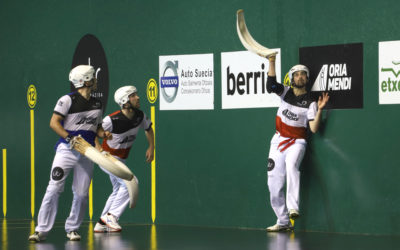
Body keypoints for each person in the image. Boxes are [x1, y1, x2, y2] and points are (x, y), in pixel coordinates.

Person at [29, 65, 111, 242]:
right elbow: (54, 123)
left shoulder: (97, 103)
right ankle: (41, 230)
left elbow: (96, 128)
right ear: (84, 81)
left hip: (87, 152)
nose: (95, 80)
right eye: (92, 77)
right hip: (66, 150)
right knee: (54, 187)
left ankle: (73, 228)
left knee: (81, 193)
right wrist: (70, 139)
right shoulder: (67, 100)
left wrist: (104, 135)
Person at [265, 55, 329, 232]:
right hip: (278, 141)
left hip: (297, 142)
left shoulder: (311, 102)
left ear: (307, 79)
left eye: (303, 74)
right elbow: (270, 86)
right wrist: (271, 61)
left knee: (291, 165)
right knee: (273, 182)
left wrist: (320, 110)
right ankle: (283, 221)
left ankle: (293, 208)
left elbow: (314, 129)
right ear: (292, 78)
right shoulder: (285, 92)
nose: (300, 77)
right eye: (297, 74)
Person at [93, 85, 154, 233]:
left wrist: (151, 147)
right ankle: (112, 216)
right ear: (125, 101)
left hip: (122, 159)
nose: (137, 97)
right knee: (130, 182)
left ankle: (101, 222)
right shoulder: (111, 120)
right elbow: (93, 131)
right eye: (133, 96)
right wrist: (98, 149)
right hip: (108, 158)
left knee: (118, 189)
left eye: (136, 94)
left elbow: (148, 128)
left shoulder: (139, 116)